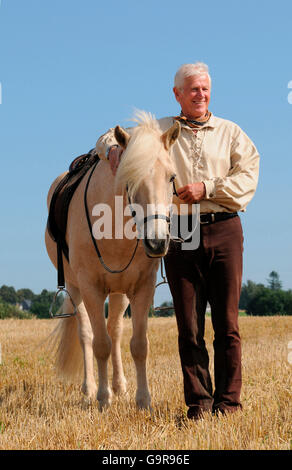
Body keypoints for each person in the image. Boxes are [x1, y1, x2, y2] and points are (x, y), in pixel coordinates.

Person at [95, 62, 260, 420]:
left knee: (228, 325)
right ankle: (198, 405)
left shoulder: (231, 133)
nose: (200, 95)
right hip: (182, 230)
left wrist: (208, 188)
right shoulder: (159, 130)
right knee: (188, 324)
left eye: (204, 89)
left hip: (225, 228)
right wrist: (113, 151)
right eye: (192, 89)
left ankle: (228, 405)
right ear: (177, 95)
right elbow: (110, 135)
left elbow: (248, 177)